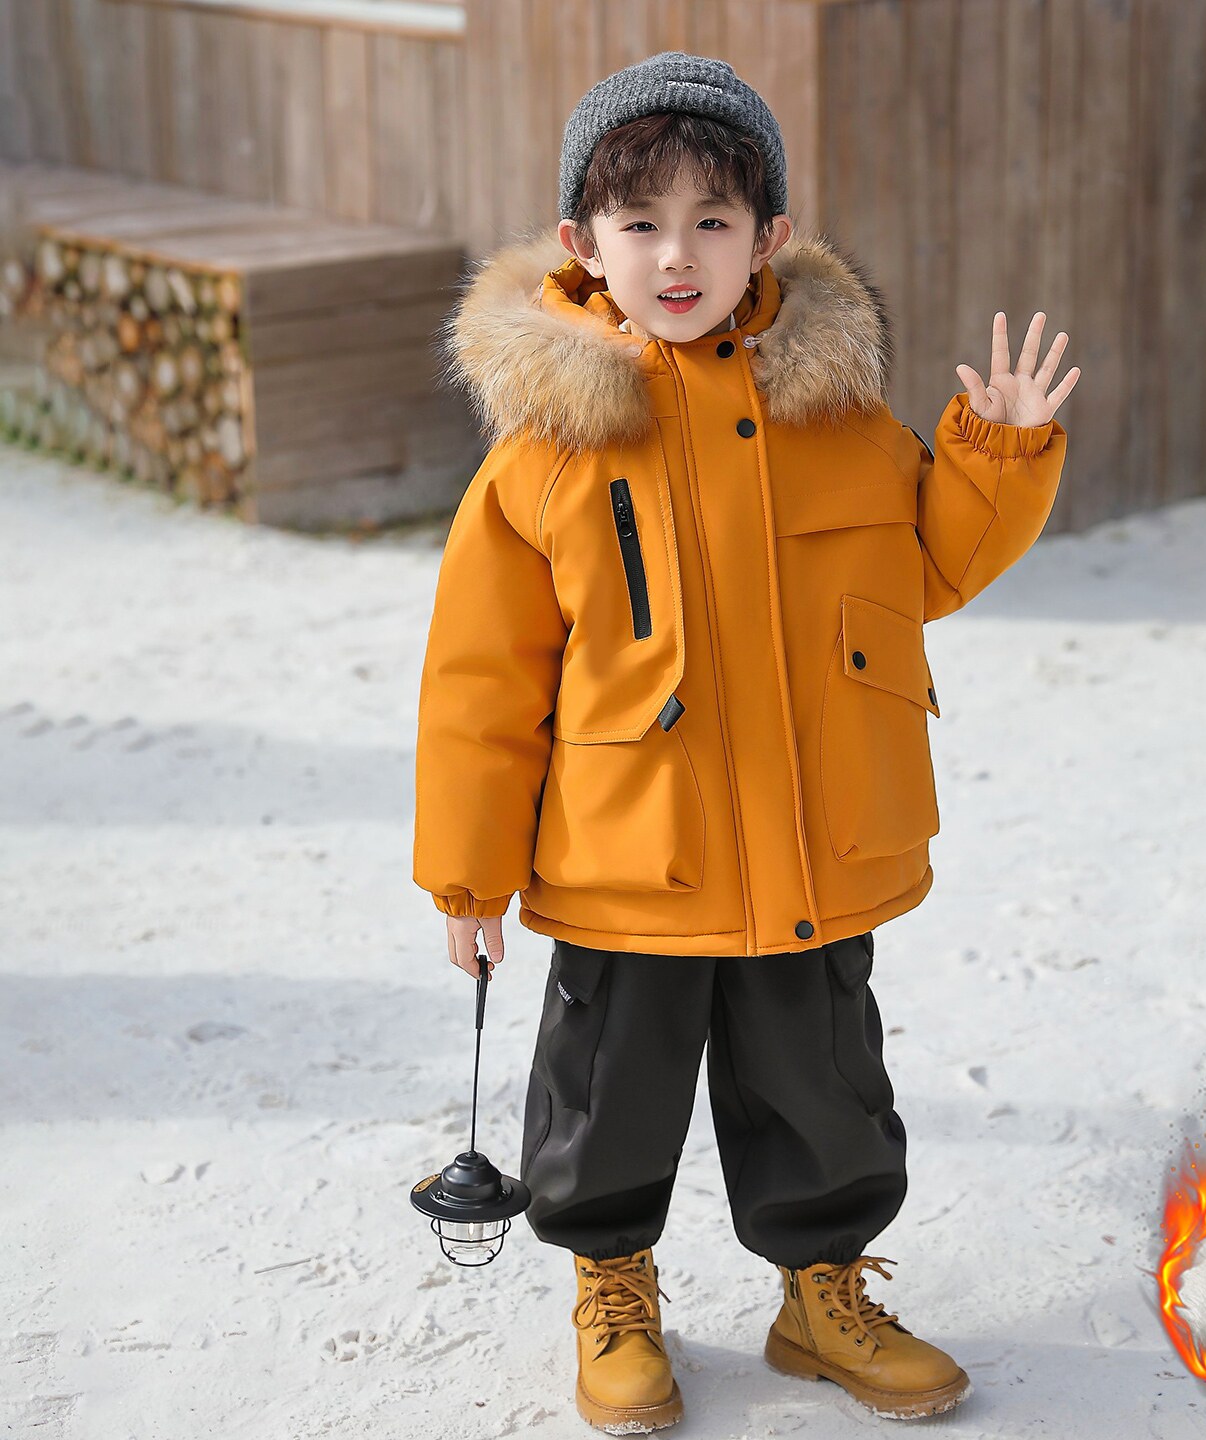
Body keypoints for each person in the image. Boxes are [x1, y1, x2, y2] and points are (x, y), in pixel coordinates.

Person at [414, 50, 1077, 1433]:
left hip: (810, 851)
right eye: (641, 221)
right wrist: (468, 877)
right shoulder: (544, 454)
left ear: (769, 235)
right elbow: (481, 686)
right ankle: (613, 1291)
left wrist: (996, 459)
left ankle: (821, 1295)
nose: (678, 254)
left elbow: (925, 570)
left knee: (823, 1090)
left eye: (712, 219)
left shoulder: (838, 417)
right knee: (608, 1097)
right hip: (629, 862)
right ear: (581, 241)